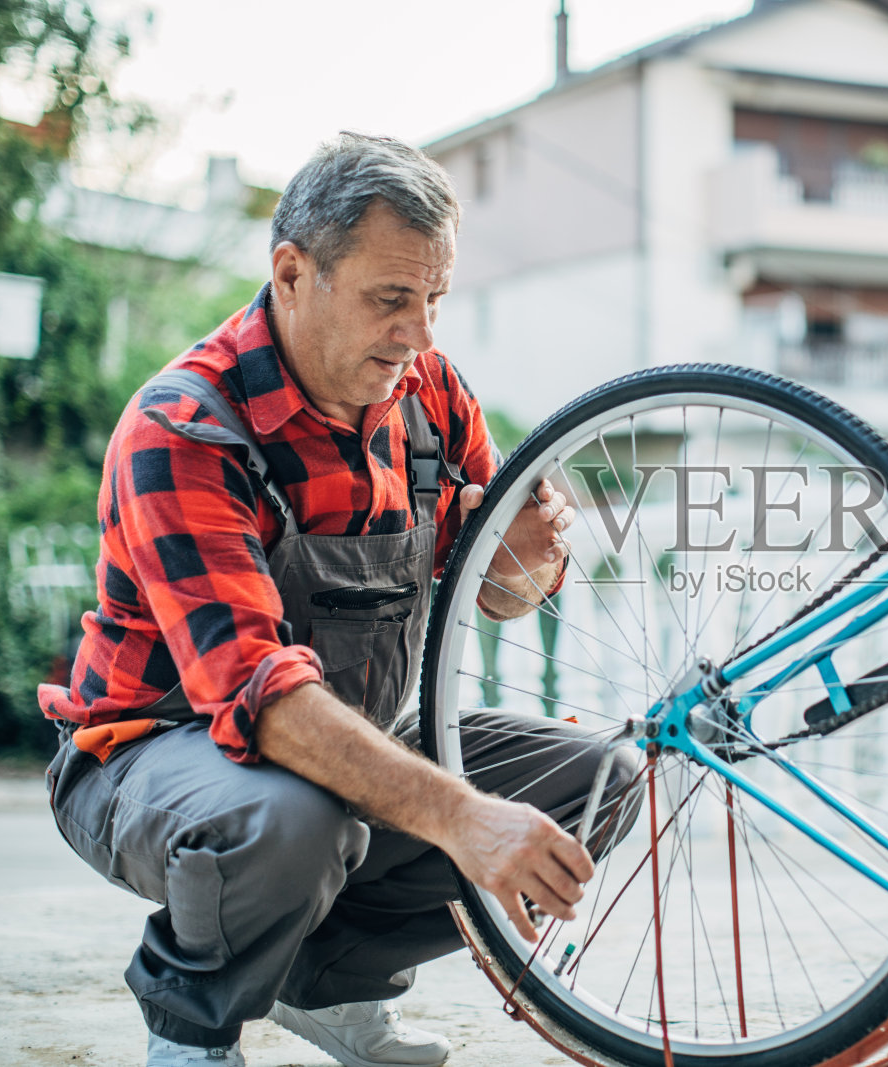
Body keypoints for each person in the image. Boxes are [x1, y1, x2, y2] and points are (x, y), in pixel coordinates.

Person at [39, 132, 641, 1067]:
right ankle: (192, 1029)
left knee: (601, 775)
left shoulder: (429, 393)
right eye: (392, 298)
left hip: (346, 738)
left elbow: (501, 598)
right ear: (291, 272)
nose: (421, 333)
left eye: (435, 298)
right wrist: (466, 818)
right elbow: (264, 703)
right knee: (292, 820)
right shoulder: (186, 430)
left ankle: (328, 986)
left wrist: (522, 564)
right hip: (152, 756)